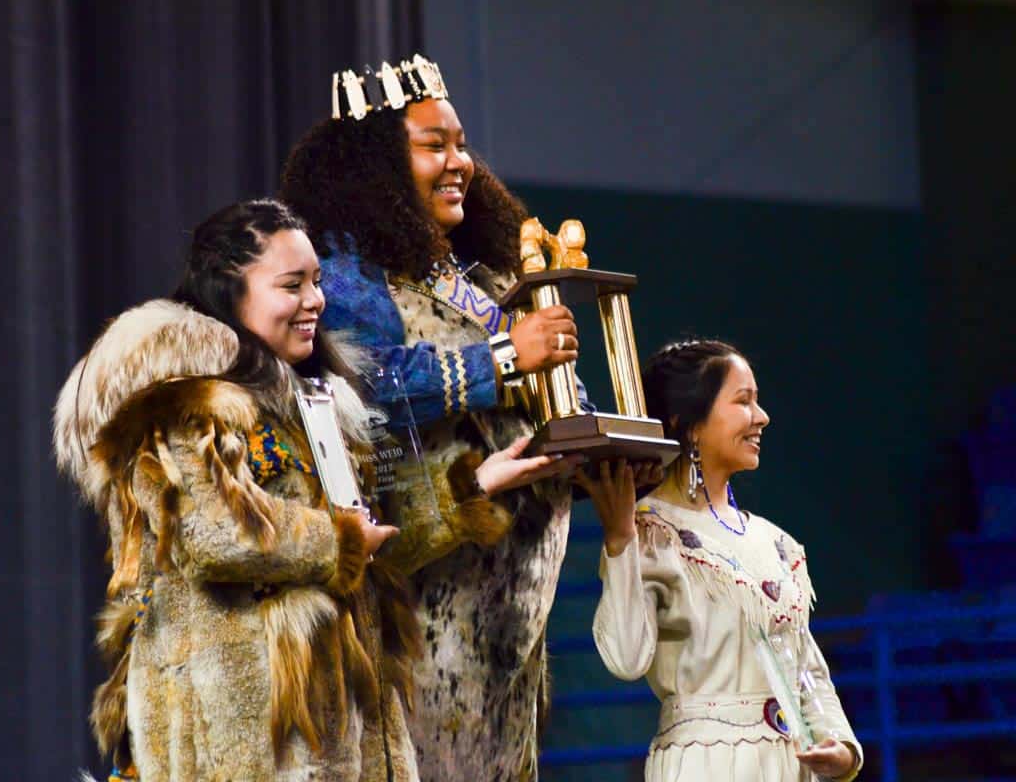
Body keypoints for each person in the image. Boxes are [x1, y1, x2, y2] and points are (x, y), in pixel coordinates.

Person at [53, 199, 566, 780]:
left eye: (317, 282)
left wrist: (468, 488)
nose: (315, 302)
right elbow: (213, 533)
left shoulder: (315, 402)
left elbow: (363, 543)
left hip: (336, 734)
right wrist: (340, 537)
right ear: (229, 289)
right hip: (238, 740)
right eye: (291, 285)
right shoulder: (181, 402)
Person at [281, 55, 585, 779]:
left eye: (461, 144)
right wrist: (508, 360)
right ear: (378, 164)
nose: (460, 164)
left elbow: (543, 393)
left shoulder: (477, 275)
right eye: (434, 146)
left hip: (509, 620)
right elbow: (368, 380)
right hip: (423, 599)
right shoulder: (346, 274)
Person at [584, 339, 863, 781]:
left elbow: (807, 669)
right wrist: (620, 540)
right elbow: (625, 657)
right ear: (690, 424)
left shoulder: (777, 544)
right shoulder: (652, 532)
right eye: (743, 401)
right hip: (705, 764)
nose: (762, 417)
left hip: (789, 766)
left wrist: (842, 748)